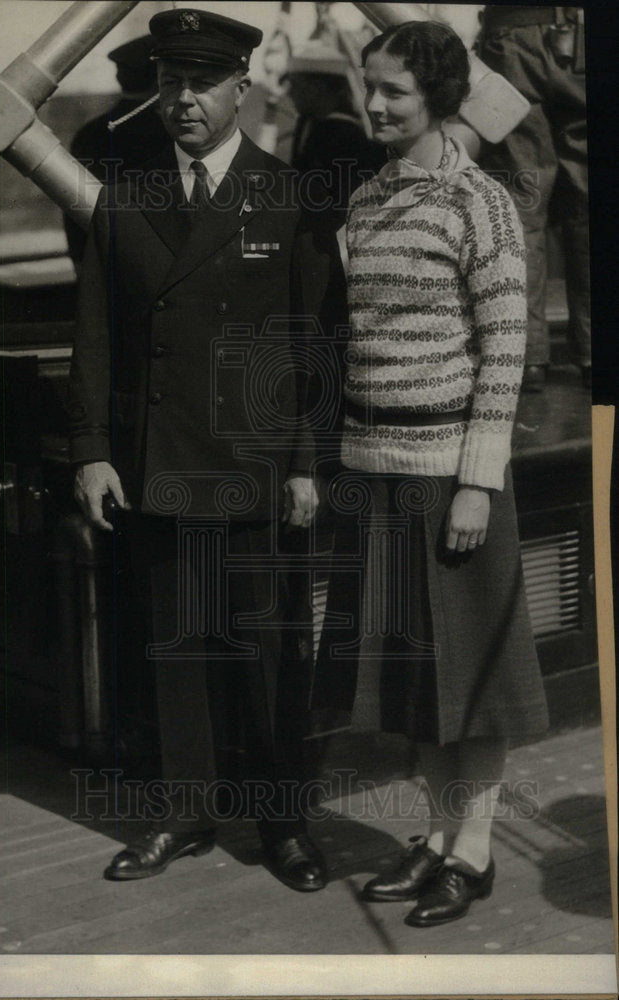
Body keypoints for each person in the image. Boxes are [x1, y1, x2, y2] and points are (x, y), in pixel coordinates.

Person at [68, 8, 346, 893]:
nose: (180, 100)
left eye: (199, 83)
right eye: (168, 82)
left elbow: (315, 345)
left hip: (258, 469)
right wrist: (92, 450)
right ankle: (183, 813)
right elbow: (98, 334)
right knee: (173, 655)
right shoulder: (127, 192)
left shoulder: (288, 195)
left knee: (267, 659)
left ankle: (281, 825)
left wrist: (306, 462)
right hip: (159, 461)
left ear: (240, 88)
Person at [312, 21, 549, 927]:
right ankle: (440, 838)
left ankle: (474, 851)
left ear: (438, 100)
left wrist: (477, 482)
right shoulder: (367, 201)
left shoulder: (479, 203)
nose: (373, 103)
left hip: (454, 474)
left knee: (472, 680)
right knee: (414, 678)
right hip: (376, 475)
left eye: (394, 92)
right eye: (368, 86)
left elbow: (503, 352)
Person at [478, 6, 589, 392]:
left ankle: (527, 357)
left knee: (520, 206)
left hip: (511, 34)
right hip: (583, 35)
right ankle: (594, 353)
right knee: (590, 206)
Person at [65, 34, 169, 263]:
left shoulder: (88, 133)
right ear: (160, 78)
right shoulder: (168, 134)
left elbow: (72, 210)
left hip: (97, 267)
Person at [286, 39, 386, 230]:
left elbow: (341, 208)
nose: (290, 93)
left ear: (319, 88)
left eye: (296, 85)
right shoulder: (307, 123)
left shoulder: (345, 138)